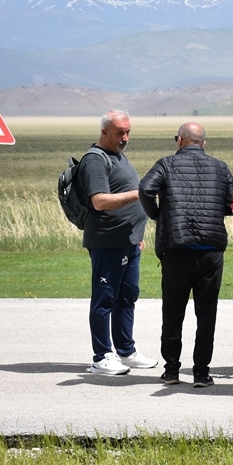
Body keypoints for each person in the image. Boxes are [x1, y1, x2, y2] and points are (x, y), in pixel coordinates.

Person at [138, 122, 233, 388]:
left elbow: (145, 189)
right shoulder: (220, 167)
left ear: (179, 140)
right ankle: (201, 373)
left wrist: (159, 215)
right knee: (206, 315)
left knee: (173, 312)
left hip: (177, 249)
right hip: (211, 251)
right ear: (203, 143)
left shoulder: (166, 164)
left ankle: (171, 370)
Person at [79, 109, 158, 376]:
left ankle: (126, 350)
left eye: (128, 132)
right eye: (120, 133)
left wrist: (137, 235)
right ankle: (101, 356)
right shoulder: (95, 160)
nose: (125, 137)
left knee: (127, 297)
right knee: (105, 298)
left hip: (129, 241)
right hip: (107, 242)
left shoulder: (118, 156)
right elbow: (99, 201)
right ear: (104, 132)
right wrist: (139, 194)